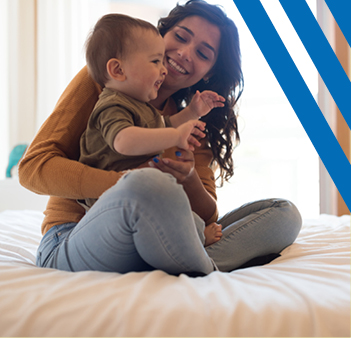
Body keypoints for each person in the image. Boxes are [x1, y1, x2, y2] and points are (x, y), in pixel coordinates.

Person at [19, 0, 302, 276]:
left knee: (283, 213)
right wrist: (132, 186)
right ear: (160, 35)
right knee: (150, 187)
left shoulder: (187, 122)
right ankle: (205, 267)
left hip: (159, 236)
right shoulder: (108, 81)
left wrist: (188, 178)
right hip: (72, 236)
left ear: (208, 74)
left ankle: (190, 262)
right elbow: (33, 168)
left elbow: (208, 219)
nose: (185, 53)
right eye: (180, 37)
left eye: (203, 54)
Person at [79, 13, 224, 246]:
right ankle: (197, 247)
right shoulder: (112, 102)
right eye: (155, 61)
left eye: (203, 53)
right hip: (108, 208)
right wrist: (176, 136)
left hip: (133, 202)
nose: (164, 69)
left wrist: (194, 112)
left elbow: (166, 124)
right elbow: (124, 141)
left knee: (282, 214)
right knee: (162, 200)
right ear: (118, 70)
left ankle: (193, 242)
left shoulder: (140, 105)